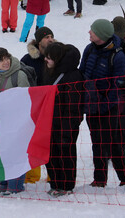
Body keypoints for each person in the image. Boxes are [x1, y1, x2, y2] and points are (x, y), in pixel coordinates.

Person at [79, 18, 125, 188]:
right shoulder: (89, 49)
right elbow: (82, 73)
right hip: (91, 105)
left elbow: (118, 86)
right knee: (97, 142)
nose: (89, 32)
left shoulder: (118, 56)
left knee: (113, 142)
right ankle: (100, 179)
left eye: (92, 31)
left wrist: (103, 104)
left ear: (100, 35)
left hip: (109, 107)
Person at [0, 47, 31, 194]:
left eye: (7, 58)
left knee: (15, 151)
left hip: (16, 121)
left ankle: (15, 185)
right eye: (1, 59)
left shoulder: (19, 75)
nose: (6, 62)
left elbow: (26, 98)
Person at [43, 41, 84, 196]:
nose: (46, 60)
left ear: (57, 59)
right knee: (51, 153)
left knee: (65, 153)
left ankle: (66, 185)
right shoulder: (49, 70)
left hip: (66, 122)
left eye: (49, 58)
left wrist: (69, 125)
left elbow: (74, 104)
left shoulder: (73, 75)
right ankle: (55, 182)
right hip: (50, 121)